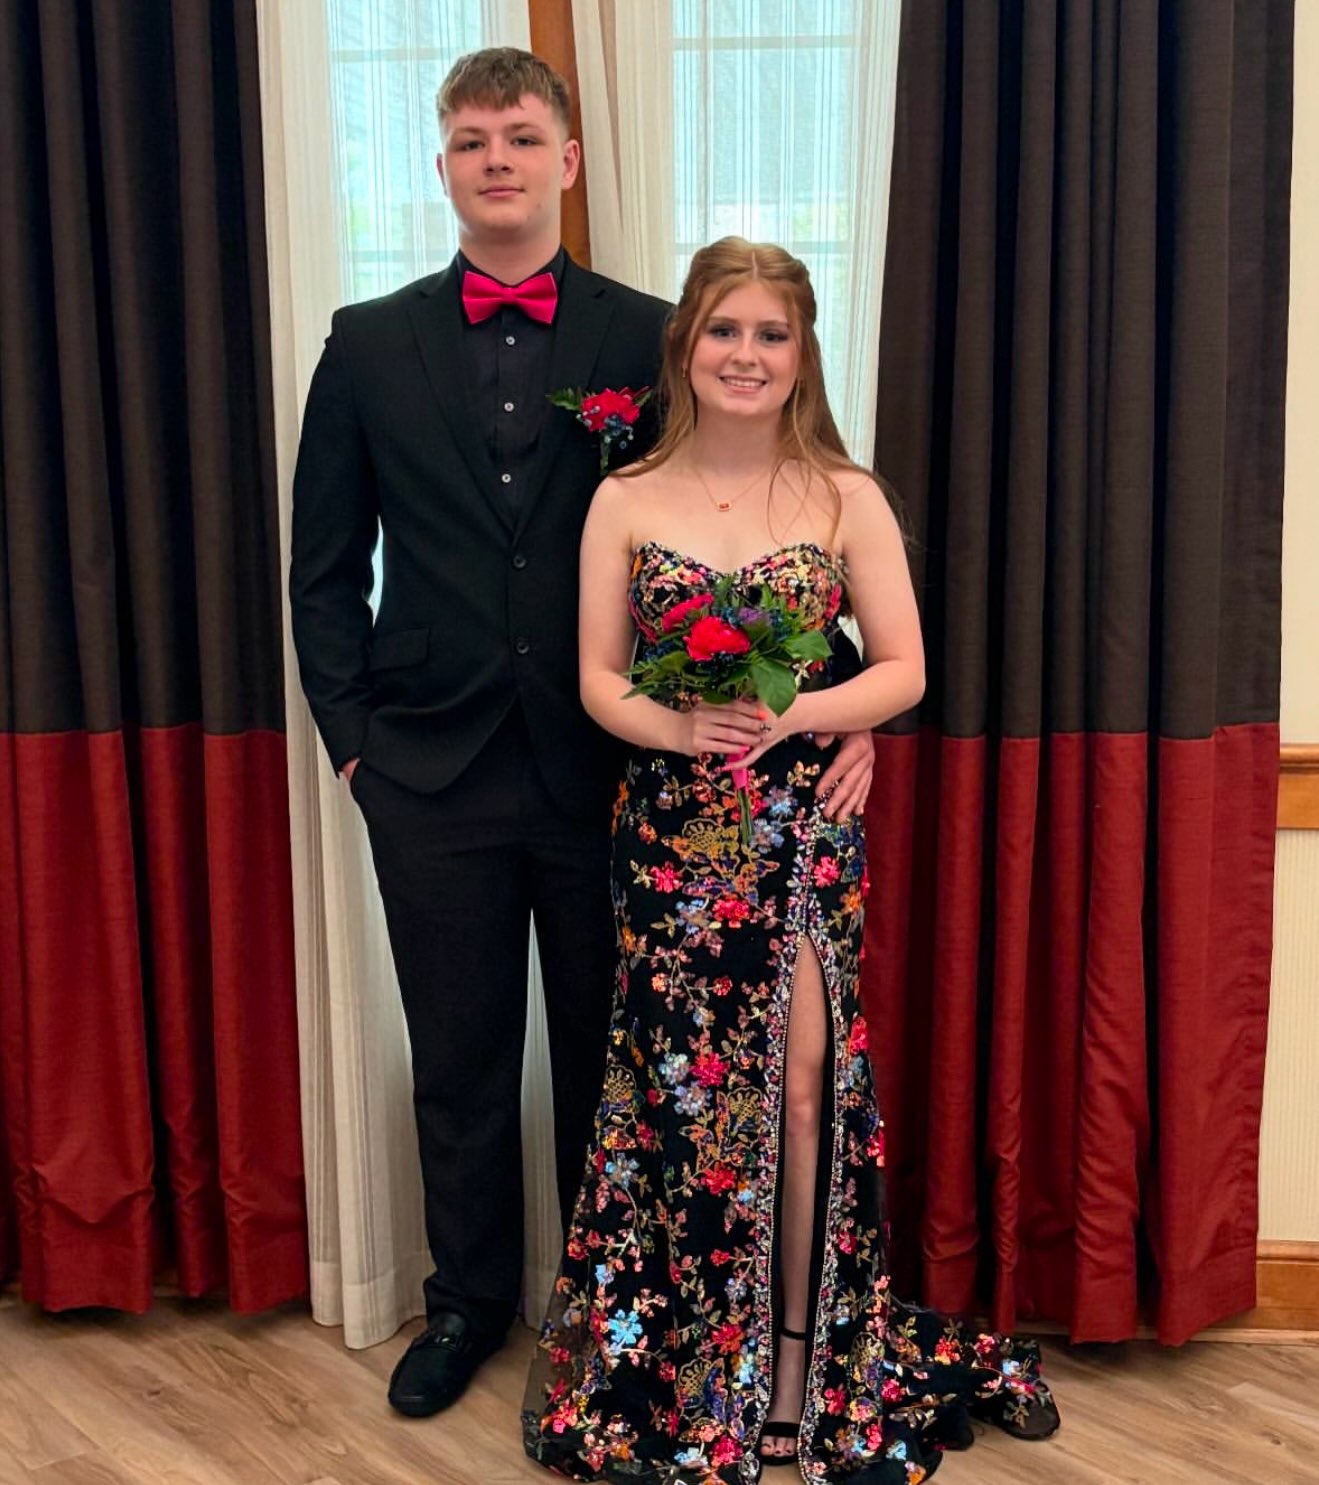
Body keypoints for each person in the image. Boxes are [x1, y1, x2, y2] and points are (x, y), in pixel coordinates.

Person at [290, 50, 876, 1420]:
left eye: (520, 134)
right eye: (469, 139)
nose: (495, 158)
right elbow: (324, 569)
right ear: (441, 166)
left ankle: (609, 1316)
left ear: (566, 159)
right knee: (458, 1053)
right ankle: (464, 1306)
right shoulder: (365, 342)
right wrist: (352, 744)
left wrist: (838, 713)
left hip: (621, 775)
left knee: (621, 1063)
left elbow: (751, 531)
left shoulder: (649, 338)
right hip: (424, 769)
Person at [523, 238, 1060, 1482]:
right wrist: (675, 725)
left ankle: (801, 1362)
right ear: (685, 348)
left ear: (800, 352)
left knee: (803, 1085)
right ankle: (696, 1364)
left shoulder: (842, 494)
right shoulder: (625, 498)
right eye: (723, 331)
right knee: (681, 1104)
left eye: (770, 334)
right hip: (665, 836)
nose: (745, 355)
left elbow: (903, 666)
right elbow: (596, 677)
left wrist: (814, 714)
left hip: (800, 829)